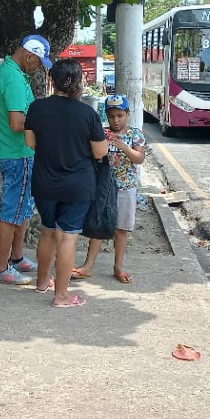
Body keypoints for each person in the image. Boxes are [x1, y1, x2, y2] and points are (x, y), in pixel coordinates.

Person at [24, 59, 108, 307]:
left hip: (44, 182)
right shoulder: (87, 113)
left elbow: (30, 143)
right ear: (79, 83)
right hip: (78, 185)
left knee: (48, 231)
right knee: (68, 237)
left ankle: (41, 283)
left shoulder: (37, 108)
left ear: (53, 80)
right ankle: (61, 296)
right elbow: (100, 152)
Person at [0, 34, 53, 285]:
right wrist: (44, 125)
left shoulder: (12, 72)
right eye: (38, 62)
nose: (38, 67)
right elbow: (17, 123)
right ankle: (0, 267)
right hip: (18, 155)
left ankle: (15, 258)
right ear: (29, 55)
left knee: (22, 209)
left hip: (21, 154)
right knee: (11, 212)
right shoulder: (14, 78)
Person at [72, 94, 145, 284]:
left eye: (120, 115)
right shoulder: (102, 134)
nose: (116, 120)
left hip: (126, 188)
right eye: (112, 116)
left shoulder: (135, 135)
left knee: (122, 228)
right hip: (104, 187)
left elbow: (139, 158)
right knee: (99, 224)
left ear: (127, 114)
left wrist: (123, 146)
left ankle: (118, 266)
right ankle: (88, 266)